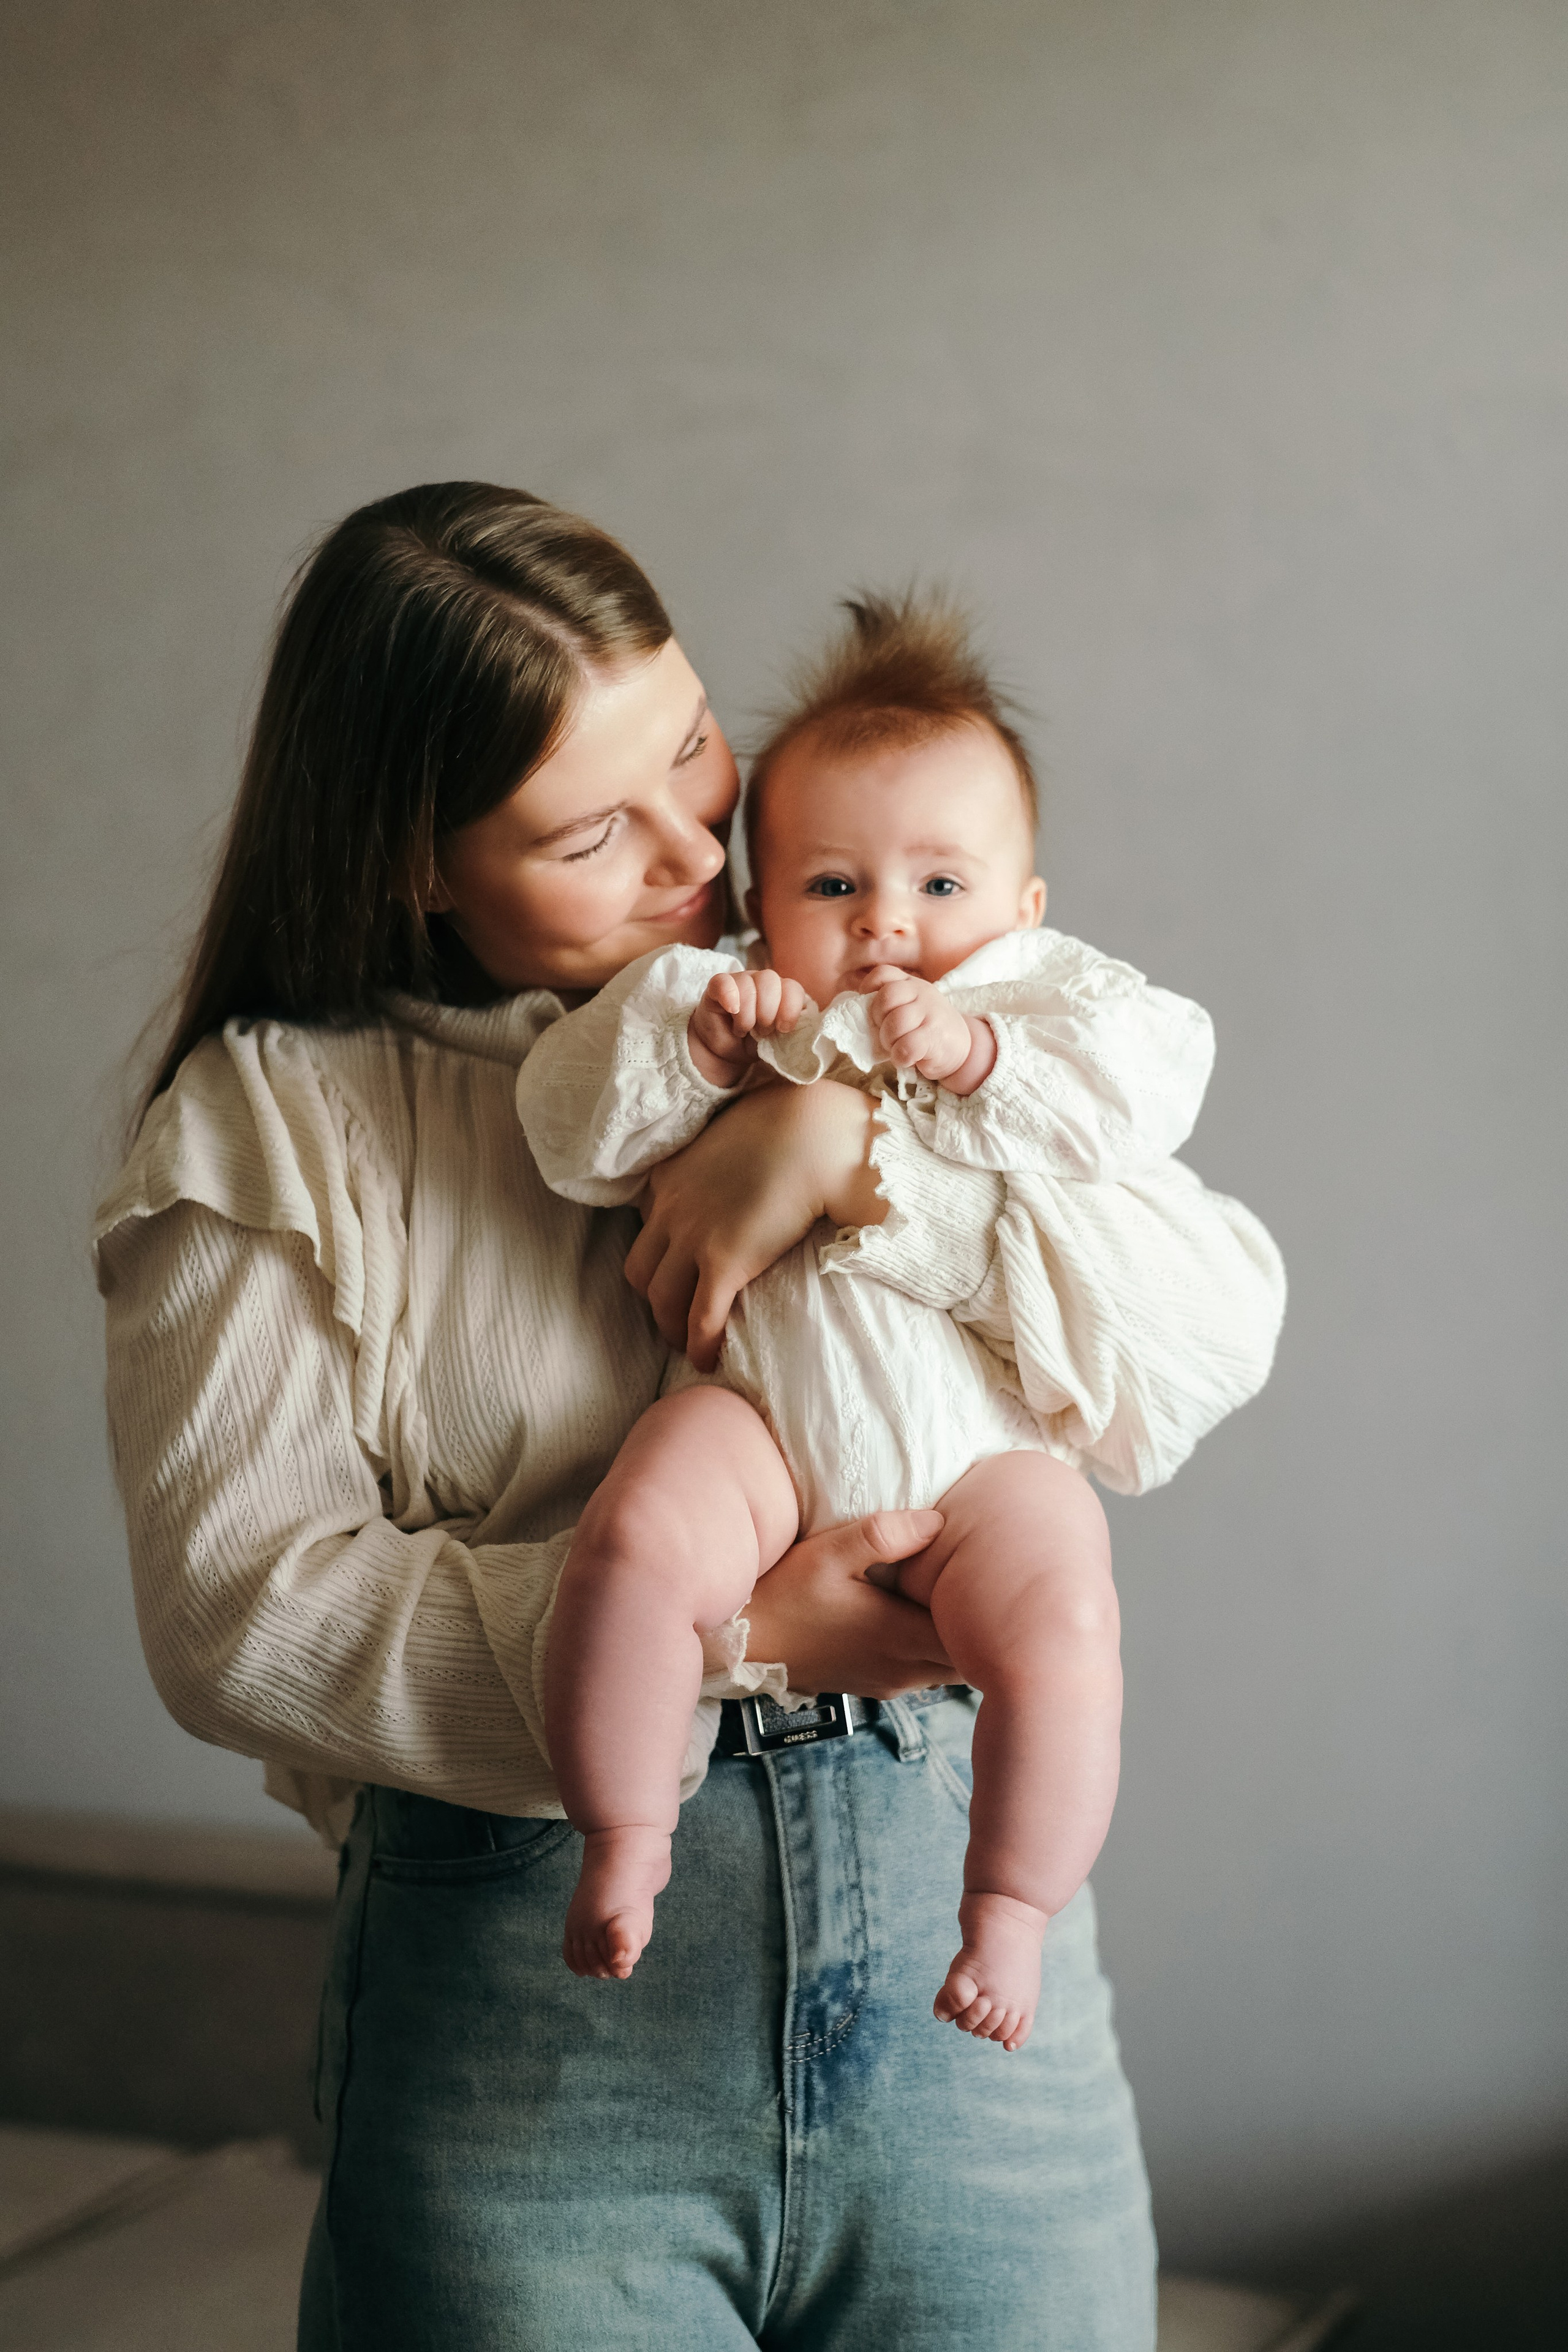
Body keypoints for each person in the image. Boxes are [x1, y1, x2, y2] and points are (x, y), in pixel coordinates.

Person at [96, 481, 1285, 2351]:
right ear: (421, 859)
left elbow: (1199, 1344)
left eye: (696, 749)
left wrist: (860, 1153)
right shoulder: (281, 1122)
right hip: (535, 2036)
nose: (696, 852)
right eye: (595, 831)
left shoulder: (876, 990)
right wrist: (737, 1638)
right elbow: (241, 1618)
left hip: (971, 2008)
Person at [518, 593, 1242, 2057]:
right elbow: (569, 1132)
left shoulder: (1045, 1003)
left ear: (1025, 906)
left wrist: (975, 1055)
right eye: (834, 886)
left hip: (981, 1457)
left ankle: (1012, 1909)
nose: (888, 927)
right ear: (758, 899)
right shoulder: (726, 997)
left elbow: (1155, 1082)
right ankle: (619, 1828)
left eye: (939, 886)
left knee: (1062, 1622)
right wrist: (694, 1046)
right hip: (763, 1418)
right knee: (641, 1536)